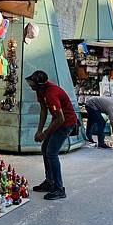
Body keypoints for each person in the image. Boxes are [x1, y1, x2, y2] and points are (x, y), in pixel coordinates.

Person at [26, 70, 77, 200]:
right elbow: (43, 110)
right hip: (58, 121)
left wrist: (44, 134)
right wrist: (39, 130)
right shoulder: (40, 90)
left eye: (32, 83)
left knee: (51, 153)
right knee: (45, 149)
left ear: (39, 84)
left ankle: (59, 188)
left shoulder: (51, 93)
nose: (30, 85)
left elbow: (61, 118)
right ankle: (49, 182)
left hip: (66, 123)